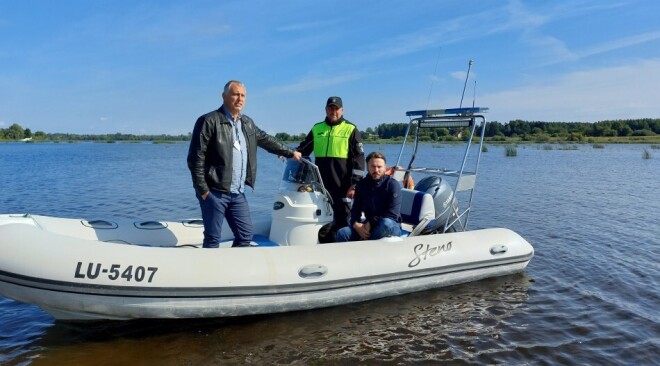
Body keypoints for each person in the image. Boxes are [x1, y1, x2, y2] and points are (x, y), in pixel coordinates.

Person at [187, 80, 302, 248]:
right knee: (212, 238)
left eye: (243, 95)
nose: (239, 99)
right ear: (224, 96)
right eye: (235, 94)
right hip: (214, 191)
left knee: (245, 235)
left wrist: (289, 152)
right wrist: (203, 190)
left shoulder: (247, 123)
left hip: (237, 192)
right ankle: (210, 273)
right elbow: (195, 159)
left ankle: (231, 270)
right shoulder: (208, 121)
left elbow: (266, 140)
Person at [296, 96, 365, 242]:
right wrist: (289, 153)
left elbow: (359, 160)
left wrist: (355, 184)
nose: (333, 111)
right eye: (330, 108)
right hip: (320, 185)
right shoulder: (317, 128)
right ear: (326, 109)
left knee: (343, 218)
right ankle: (324, 245)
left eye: (336, 108)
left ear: (342, 110)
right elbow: (303, 149)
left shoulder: (351, 129)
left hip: (343, 185)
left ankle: (344, 248)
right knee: (322, 217)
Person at [336, 152, 402, 242]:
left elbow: (392, 214)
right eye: (373, 166)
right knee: (342, 233)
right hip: (369, 225)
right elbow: (356, 209)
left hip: (390, 224)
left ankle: (365, 245)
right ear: (367, 168)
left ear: (385, 167)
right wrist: (356, 224)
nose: (376, 170)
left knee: (386, 224)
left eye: (379, 167)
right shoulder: (362, 184)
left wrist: (371, 222)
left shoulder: (392, 185)